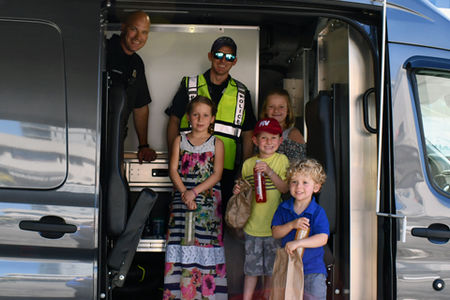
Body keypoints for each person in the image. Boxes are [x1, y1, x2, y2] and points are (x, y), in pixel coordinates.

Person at [165, 36, 257, 214]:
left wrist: (243, 170)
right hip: (187, 169)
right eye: (218, 55)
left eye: (229, 57)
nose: (223, 61)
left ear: (235, 61)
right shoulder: (190, 85)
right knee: (185, 216)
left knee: (218, 220)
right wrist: (173, 159)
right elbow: (174, 121)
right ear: (210, 56)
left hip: (226, 171)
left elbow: (248, 133)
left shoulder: (242, 92)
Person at [164, 96, 227, 299]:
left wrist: (194, 192)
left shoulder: (217, 143)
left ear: (212, 119)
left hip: (207, 205)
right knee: (182, 242)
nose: (200, 119)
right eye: (196, 114)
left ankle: (206, 294)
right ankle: (181, 293)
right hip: (182, 202)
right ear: (189, 117)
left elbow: (217, 175)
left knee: (205, 245)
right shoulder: (179, 140)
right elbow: (173, 170)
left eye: (205, 115)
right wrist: (185, 193)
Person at [232, 118, 289, 300]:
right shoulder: (249, 164)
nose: (269, 142)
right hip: (253, 226)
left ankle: (267, 297)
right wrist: (238, 190)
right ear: (255, 141)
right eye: (264, 138)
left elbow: (285, 188)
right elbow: (244, 192)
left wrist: (270, 172)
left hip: (274, 228)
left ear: (280, 141)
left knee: (271, 270)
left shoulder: (281, 160)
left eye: (273, 138)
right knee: (252, 269)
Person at [271, 158, 329, 300]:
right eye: (294, 182)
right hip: (288, 269)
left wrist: (298, 243)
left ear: (316, 187)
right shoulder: (283, 208)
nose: (298, 187)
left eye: (305, 182)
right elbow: (275, 232)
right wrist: (292, 225)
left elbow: (322, 238)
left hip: (312, 270)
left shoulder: (317, 212)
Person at [106, 10, 156, 162]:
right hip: (91, 137)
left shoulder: (137, 63)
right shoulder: (103, 50)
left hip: (116, 140)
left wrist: (143, 146)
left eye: (144, 32)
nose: (138, 37)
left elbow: (140, 107)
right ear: (123, 27)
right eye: (134, 29)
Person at [260, 88, 306, 162]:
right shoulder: (260, 133)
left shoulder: (293, 134)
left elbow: (298, 167)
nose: (276, 110)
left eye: (281, 107)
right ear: (265, 110)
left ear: (288, 110)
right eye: (271, 106)